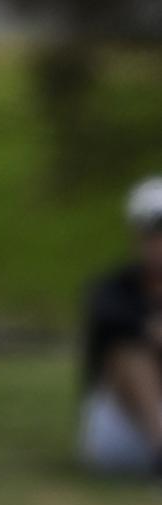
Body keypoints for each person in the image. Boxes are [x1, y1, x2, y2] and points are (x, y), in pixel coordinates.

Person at [79, 176, 162, 477]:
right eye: (153, 233)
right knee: (129, 353)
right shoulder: (113, 290)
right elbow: (112, 323)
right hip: (124, 427)